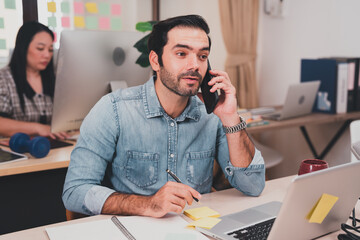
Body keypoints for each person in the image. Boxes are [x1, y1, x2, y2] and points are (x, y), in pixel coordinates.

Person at [63, 15, 265, 217]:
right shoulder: (113, 109)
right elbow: (75, 191)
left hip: (196, 230)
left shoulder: (212, 114)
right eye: (181, 53)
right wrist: (148, 204)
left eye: (202, 56)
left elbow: (253, 186)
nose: (194, 65)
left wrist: (230, 117)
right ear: (155, 61)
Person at [0, 21, 68, 139]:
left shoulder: (55, 78)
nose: (47, 55)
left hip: (53, 148)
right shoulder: (4, 79)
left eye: (50, 49)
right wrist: (38, 128)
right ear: (23, 48)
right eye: (40, 48)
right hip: (20, 150)